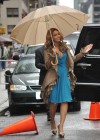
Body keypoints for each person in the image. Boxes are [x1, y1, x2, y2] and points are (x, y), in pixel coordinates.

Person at [41, 28, 93, 138]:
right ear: (51, 37)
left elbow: (72, 60)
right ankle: (53, 122)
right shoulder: (47, 49)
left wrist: (83, 53)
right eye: (55, 35)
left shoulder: (65, 47)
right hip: (54, 77)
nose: (58, 36)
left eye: (58, 33)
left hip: (65, 76)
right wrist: (52, 55)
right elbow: (46, 66)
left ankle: (61, 127)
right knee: (54, 102)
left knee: (65, 101)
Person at [35, 46, 51, 121]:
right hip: (45, 76)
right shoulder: (39, 51)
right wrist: (46, 66)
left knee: (54, 94)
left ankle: (52, 111)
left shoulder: (56, 48)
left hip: (55, 75)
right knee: (47, 95)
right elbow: (37, 64)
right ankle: (49, 112)